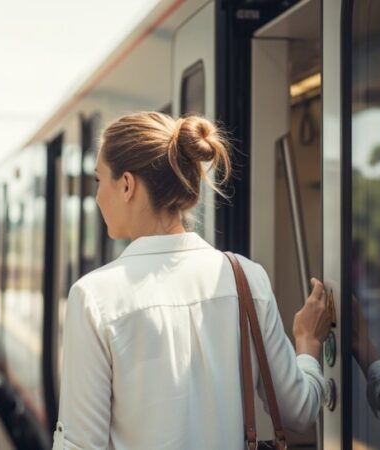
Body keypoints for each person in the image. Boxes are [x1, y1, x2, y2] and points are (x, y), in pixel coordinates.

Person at [54, 112, 332, 449]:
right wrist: (308, 342)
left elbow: (81, 444)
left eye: (99, 180)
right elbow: (299, 411)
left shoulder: (94, 298)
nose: (97, 196)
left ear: (127, 185)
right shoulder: (246, 279)